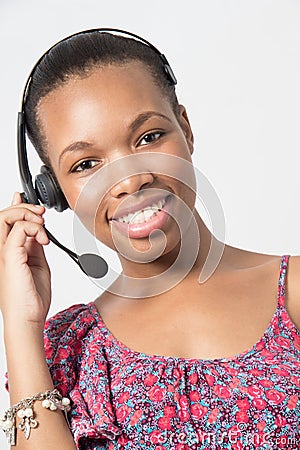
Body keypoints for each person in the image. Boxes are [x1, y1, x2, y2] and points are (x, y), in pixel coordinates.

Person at [0, 28, 300, 450]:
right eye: (86, 164)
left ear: (186, 129)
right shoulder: (64, 352)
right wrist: (20, 323)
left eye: (149, 137)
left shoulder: (292, 291)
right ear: (50, 193)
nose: (130, 179)